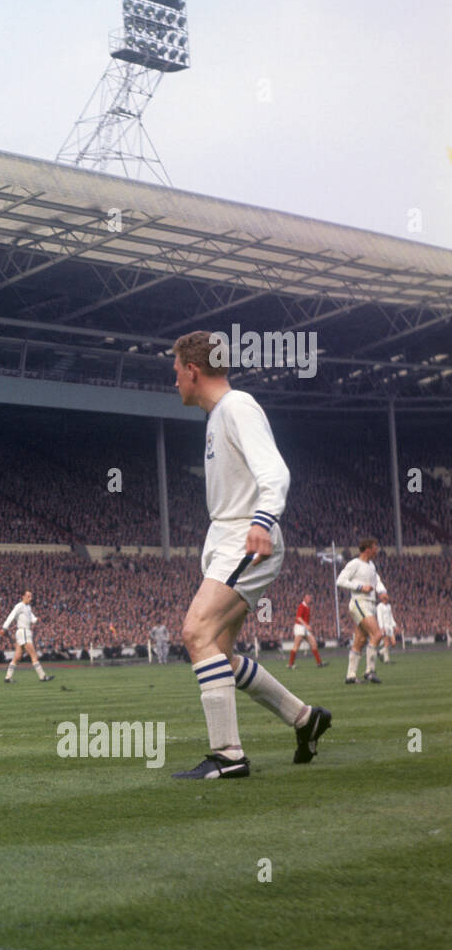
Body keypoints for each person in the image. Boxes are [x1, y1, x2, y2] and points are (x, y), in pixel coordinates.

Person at [169, 330, 331, 779]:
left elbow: (275, 471)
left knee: (194, 631)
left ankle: (228, 756)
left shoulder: (237, 406)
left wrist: (262, 521)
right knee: (219, 650)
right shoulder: (220, 414)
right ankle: (305, 718)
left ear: (193, 370)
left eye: (176, 372)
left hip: (246, 536)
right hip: (229, 537)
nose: (175, 381)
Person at [336, 539, 384, 684]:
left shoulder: (371, 565)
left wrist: (382, 591)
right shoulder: (354, 564)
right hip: (359, 602)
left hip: (369, 604)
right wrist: (360, 587)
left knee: (360, 640)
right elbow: (340, 580)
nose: (377, 550)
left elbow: (377, 581)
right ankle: (370, 671)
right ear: (367, 549)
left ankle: (350, 675)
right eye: (375, 547)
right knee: (377, 634)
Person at [1, 590, 54, 682]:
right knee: (34, 655)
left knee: (17, 657)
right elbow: (11, 616)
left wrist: (39, 619)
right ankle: (42, 677)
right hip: (24, 632)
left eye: (31, 596)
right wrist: (4, 628)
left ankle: (8, 677)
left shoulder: (28, 607)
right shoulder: (19, 606)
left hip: (24, 632)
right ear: (23, 596)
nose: (30, 598)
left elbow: (32, 619)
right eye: (28, 596)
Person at [286, 593, 325, 669]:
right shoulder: (302, 606)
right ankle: (290, 664)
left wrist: (307, 626)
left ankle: (319, 663)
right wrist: (306, 625)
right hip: (300, 627)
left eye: (309, 598)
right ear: (304, 598)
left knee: (313, 643)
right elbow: (298, 618)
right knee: (296, 646)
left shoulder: (307, 607)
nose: (309, 599)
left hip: (304, 628)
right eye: (308, 598)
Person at [376, 588, 398, 663]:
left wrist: (394, 625)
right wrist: (382, 628)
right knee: (386, 643)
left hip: (390, 627)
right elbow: (379, 618)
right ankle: (386, 660)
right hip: (384, 627)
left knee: (393, 643)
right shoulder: (379, 606)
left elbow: (391, 616)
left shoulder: (389, 606)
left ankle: (380, 652)